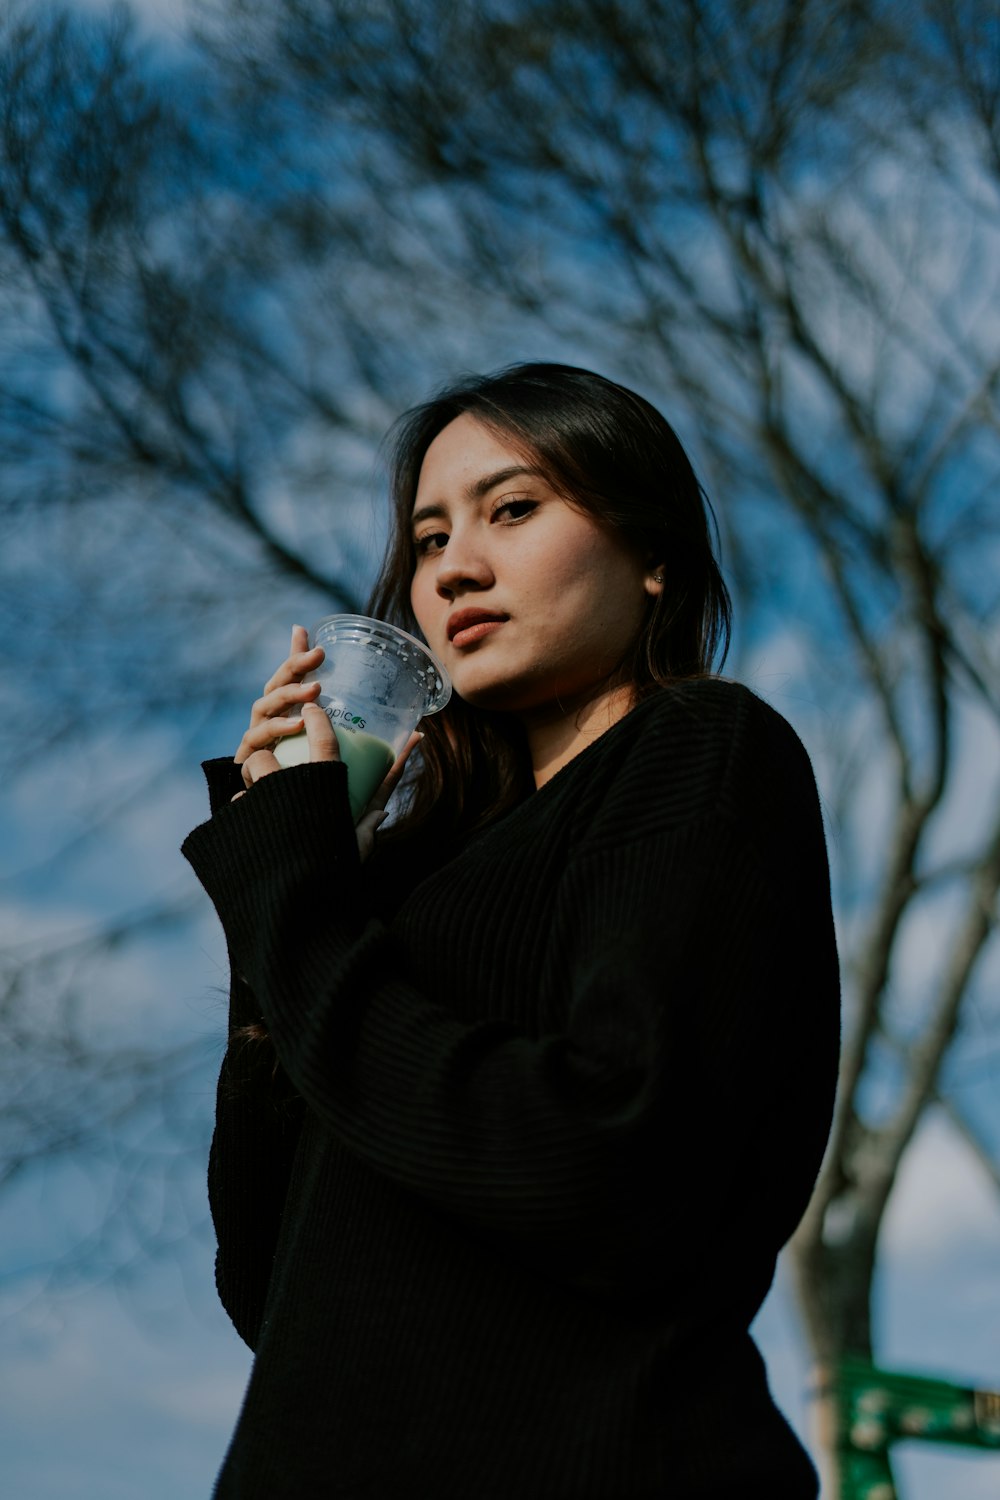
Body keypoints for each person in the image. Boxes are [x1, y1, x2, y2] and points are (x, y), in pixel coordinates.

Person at [182, 362, 840, 1499]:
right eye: (428, 540)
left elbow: (604, 1160)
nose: (456, 569)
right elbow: (270, 1283)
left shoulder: (698, 750)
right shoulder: (416, 878)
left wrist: (300, 912)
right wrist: (290, 883)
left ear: (652, 557)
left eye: (514, 509)